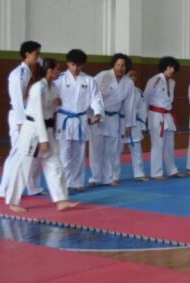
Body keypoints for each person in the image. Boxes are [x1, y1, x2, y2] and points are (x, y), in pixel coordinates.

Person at [3, 58, 79, 213]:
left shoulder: (53, 88)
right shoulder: (38, 88)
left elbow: (52, 109)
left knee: (55, 164)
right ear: (49, 71)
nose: (59, 71)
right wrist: (43, 140)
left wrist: (57, 103)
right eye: (57, 69)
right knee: (24, 166)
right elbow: (37, 114)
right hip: (33, 131)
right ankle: (12, 201)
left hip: (48, 129)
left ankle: (62, 200)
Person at [0, 40, 44, 198]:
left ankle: (33, 187)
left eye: (39, 54)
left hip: (33, 117)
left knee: (34, 154)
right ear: (27, 55)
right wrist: (21, 123)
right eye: (36, 54)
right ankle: (5, 188)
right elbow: (17, 101)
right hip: (20, 117)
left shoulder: (34, 69)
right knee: (17, 152)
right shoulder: (18, 75)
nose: (39, 57)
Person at [55, 49, 104, 192]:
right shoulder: (60, 79)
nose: (75, 68)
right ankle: (63, 185)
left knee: (79, 154)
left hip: (81, 120)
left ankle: (76, 183)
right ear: (68, 63)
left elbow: (96, 98)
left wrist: (98, 112)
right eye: (73, 65)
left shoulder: (89, 80)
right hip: (64, 120)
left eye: (79, 66)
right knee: (64, 154)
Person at [88, 54, 135, 187]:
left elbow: (129, 104)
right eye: (118, 65)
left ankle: (109, 177)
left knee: (112, 149)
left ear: (127, 67)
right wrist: (90, 115)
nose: (120, 68)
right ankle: (95, 177)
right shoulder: (102, 76)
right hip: (99, 116)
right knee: (96, 149)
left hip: (114, 118)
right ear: (113, 65)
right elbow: (91, 95)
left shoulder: (129, 83)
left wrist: (129, 124)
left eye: (123, 65)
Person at [144, 56, 184, 180]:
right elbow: (145, 98)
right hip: (156, 115)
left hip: (167, 115)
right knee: (157, 144)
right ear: (164, 67)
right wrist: (144, 118)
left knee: (169, 144)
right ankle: (157, 172)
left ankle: (172, 170)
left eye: (173, 67)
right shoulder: (154, 80)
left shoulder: (172, 82)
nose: (171, 70)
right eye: (169, 67)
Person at [125, 68, 149, 182]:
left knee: (137, 150)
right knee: (115, 151)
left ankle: (139, 174)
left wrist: (143, 126)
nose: (133, 77)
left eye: (135, 75)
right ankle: (112, 176)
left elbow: (143, 110)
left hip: (135, 123)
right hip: (120, 123)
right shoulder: (118, 90)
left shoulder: (138, 91)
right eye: (130, 75)